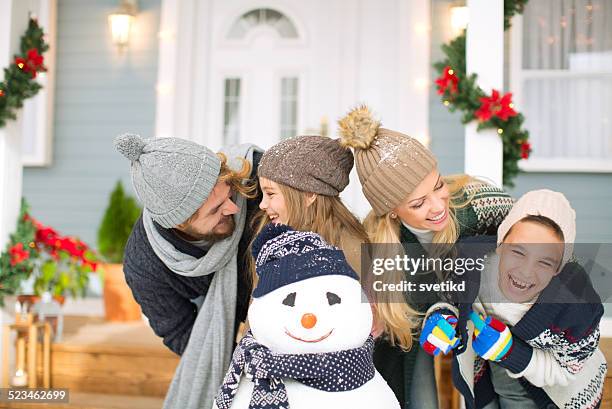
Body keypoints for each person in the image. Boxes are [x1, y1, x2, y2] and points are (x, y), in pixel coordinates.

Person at [337, 105, 514, 409]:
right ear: (392, 211)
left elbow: (539, 236)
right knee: (408, 364)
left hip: (492, 317)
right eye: (418, 203)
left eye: (438, 186)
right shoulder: (382, 249)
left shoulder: (478, 203)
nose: (437, 206)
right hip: (428, 327)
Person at [114, 133, 262, 409]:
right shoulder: (145, 264)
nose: (233, 207)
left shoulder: (263, 181)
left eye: (228, 191)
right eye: (217, 209)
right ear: (179, 224)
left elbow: (345, 228)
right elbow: (180, 331)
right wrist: (242, 368)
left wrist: (373, 295)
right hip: (238, 352)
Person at [422, 190, 606, 409]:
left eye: (545, 262)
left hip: (556, 391)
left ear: (559, 268)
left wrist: (510, 352)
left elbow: (566, 371)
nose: (526, 272)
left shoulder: (576, 305)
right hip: (492, 372)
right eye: (518, 252)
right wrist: (441, 317)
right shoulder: (471, 262)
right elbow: (450, 297)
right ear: (500, 242)